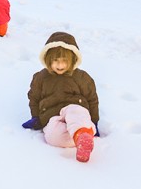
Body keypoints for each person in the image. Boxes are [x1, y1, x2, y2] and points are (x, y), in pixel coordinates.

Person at [23, 32, 99, 162]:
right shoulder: (41, 78)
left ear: (73, 60)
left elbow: (92, 99)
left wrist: (95, 120)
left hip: (75, 108)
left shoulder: (81, 77)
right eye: (55, 61)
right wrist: (36, 117)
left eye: (65, 61)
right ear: (48, 59)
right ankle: (82, 137)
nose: (60, 65)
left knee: (75, 113)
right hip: (52, 115)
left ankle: (82, 133)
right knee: (52, 136)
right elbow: (34, 98)